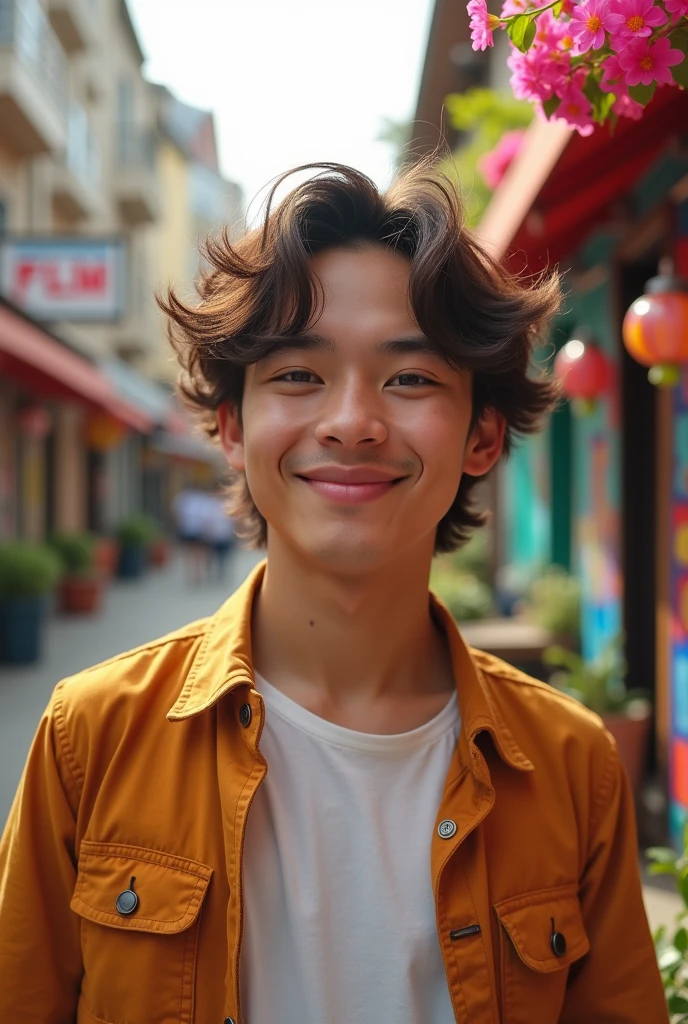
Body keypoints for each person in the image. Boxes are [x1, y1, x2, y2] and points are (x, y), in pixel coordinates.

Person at [0, 160, 667, 1024]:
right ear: (233, 428)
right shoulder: (89, 739)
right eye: (298, 376)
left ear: (483, 436)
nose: (352, 420)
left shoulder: (574, 767)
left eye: (411, 378)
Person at [171, 484, 210, 584]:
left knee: (197, 552)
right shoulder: (186, 498)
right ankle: (194, 574)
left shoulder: (195, 498)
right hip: (190, 529)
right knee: (193, 552)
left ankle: (197, 574)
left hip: (196, 529)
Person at [202, 487, 236, 581]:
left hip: (225, 535)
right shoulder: (209, 505)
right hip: (213, 536)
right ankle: (212, 574)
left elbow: (233, 521)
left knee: (224, 556)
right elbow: (206, 521)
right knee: (212, 557)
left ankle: (222, 573)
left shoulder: (227, 504)